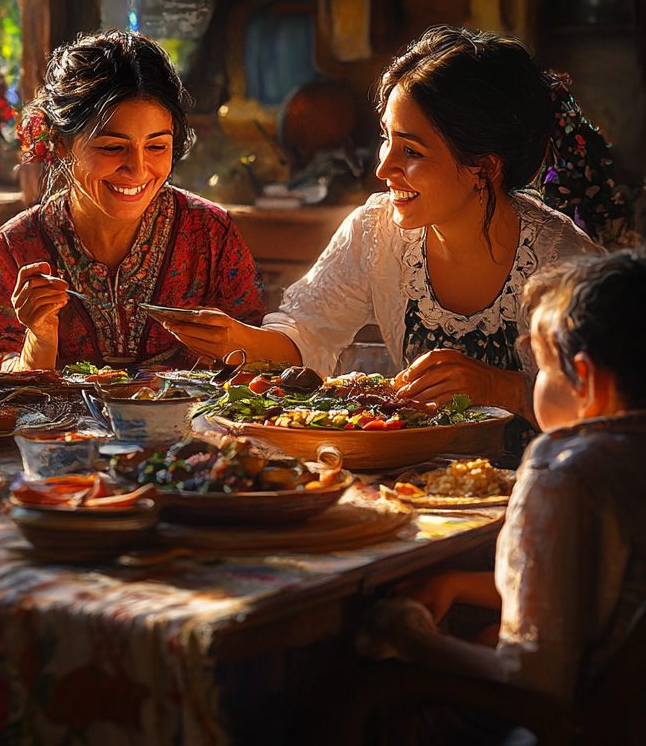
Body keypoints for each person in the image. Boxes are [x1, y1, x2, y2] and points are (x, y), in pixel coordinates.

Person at [164, 26, 622, 456]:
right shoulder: (377, 233)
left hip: (537, 485)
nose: (383, 169)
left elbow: (611, 410)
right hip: (416, 485)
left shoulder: (560, 263)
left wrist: (498, 387)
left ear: (483, 167)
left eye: (412, 151)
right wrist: (235, 338)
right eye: (386, 138)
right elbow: (308, 332)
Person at [358, 250, 646, 746]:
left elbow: (534, 683)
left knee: (354, 697)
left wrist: (412, 636)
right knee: (483, 628)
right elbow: (597, 586)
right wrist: (455, 584)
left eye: (539, 367)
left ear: (585, 378)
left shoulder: (567, 468)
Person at [0, 29, 267, 372]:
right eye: (113, 147)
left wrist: (234, 341)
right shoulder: (17, 247)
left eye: (157, 146)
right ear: (60, 144)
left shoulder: (208, 233)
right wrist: (39, 339)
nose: (138, 170)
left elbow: (261, 365)